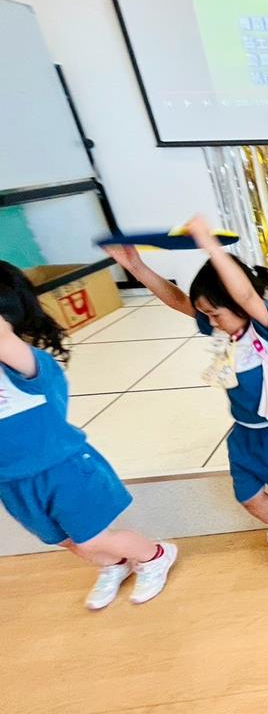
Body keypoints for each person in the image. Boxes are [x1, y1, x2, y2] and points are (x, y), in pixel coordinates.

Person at [107, 216, 268, 571]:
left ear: (240, 307)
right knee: (247, 495)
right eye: (205, 314)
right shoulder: (223, 330)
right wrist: (135, 266)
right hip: (245, 432)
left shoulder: (265, 330)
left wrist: (211, 246)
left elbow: (245, 295)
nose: (209, 322)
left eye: (215, 314)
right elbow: (177, 300)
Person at [0, 260, 176, 609]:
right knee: (64, 540)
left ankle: (154, 555)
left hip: (61, 470)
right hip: (12, 481)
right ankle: (114, 564)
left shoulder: (27, 363)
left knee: (90, 538)